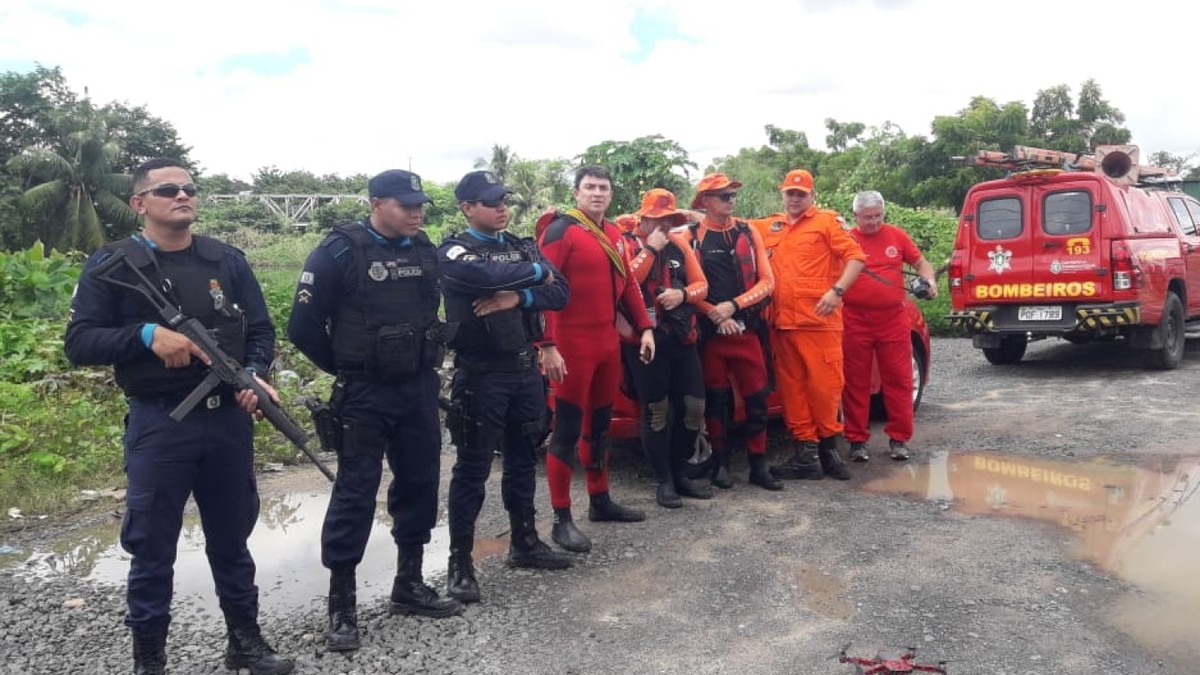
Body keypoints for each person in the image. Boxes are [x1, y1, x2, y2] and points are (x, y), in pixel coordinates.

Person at [64, 158, 293, 675]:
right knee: (152, 545)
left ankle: (245, 642)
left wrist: (254, 373)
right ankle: (150, 659)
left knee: (232, 537)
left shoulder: (226, 261)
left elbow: (260, 330)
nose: (183, 196)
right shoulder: (111, 264)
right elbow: (78, 343)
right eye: (168, 190)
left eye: (190, 188)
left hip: (228, 423)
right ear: (139, 203)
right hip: (161, 423)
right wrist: (146, 336)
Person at [287, 169, 461, 653]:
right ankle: (342, 606)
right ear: (376, 203)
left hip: (419, 389)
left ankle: (409, 584)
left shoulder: (425, 250)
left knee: (421, 482)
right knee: (356, 492)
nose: (416, 211)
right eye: (405, 204)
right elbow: (301, 326)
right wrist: (349, 365)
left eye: (419, 203)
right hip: (364, 395)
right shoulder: (338, 251)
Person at [438, 170, 574, 604]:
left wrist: (521, 297)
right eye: (490, 201)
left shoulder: (521, 243)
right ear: (467, 207)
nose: (501, 208)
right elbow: (479, 280)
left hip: (523, 371)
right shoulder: (454, 248)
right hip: (481, 375)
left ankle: (525, 542)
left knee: (521, 460)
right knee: (473, 468)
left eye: (504, 200)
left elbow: (562, 292)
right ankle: (460, 563)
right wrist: (537, 274)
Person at [535, 165, 655, 553]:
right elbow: (540, 287)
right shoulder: (561, 231)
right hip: (571, 346)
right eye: (590, 187)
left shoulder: (616, 235)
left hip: (606, 344)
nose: (597, 193)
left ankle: (600, 500)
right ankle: (561, 518)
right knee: (567, 431)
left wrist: (645, 327)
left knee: (599, 427)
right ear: (576, 192)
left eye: (603, 187)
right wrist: (546, 344)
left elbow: (629, 288)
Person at [748, 169, 865, 482]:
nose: (795, 198)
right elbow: (731, 226)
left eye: (801, 193)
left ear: (812, 195)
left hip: (819, 322)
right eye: (790, 193)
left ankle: (829, 450)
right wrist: (690, 215)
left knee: (825, 389)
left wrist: (837, 290)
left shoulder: (827, 222)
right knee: (793, 391)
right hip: (783, 324)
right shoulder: (770, 225)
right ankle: (806, 456)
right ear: (783, 194)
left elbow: (856, 258)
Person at [615, 188, 715, 508]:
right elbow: (625, 285)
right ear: (643, 219)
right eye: (656, 220)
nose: (663, 225)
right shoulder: (628, 245)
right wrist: (649, 249)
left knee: (694, 406)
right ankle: (664, 480)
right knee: (656, 410)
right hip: (645, 341)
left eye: (669, 219)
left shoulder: (680, 245)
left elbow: (702, 286)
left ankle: (682, 471)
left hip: (682, 338)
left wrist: (682, 295)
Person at [686, 173, 781, 492]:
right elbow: (685, 287)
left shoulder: (747, 230)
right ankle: (721, 463)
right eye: (723, 196)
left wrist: (733, 307)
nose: (730, 200)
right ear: (705, 201)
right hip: (712, 335)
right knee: (716, 402)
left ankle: (758, 465)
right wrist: (714, 313)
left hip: (747, 330)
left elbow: (768, 282)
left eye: (731, 195)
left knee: (757, 400)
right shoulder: (691, 235)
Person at [842, 190, 937, 462]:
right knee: (855, 381)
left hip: (893, 319)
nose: (873, 222)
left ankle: (899, 439)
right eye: (867, 218)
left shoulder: (896, 236)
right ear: (855, 216)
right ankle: (857, 441)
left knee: (900, 379)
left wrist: (929, 282)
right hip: (854, 318)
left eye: (877, 216)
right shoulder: (846, 240)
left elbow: (921, 263)